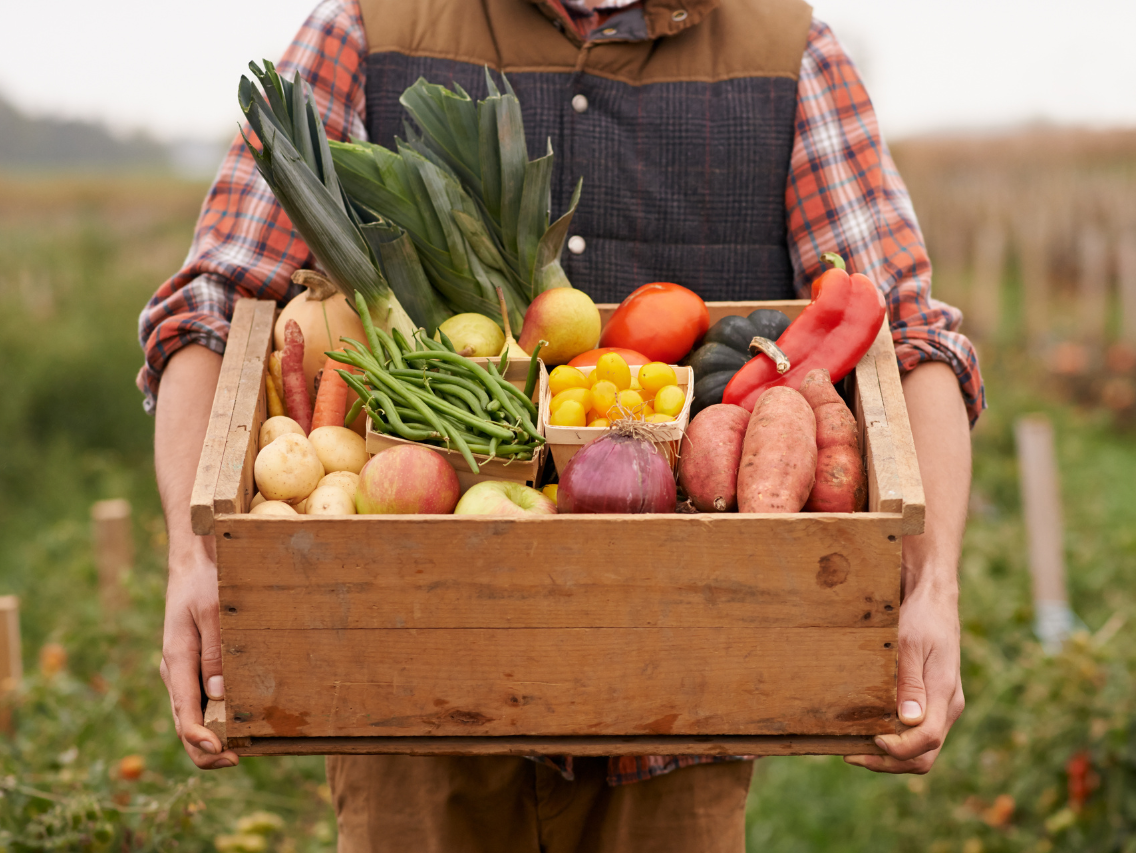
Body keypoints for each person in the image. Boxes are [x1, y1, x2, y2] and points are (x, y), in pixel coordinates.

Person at [140, 0, 984, 849]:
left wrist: (932, 584)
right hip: (412, 700)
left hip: (682, 705)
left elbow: (907, 337)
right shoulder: (372, 24)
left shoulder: (787, 49)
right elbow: (214, 304)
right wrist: (192, 554)